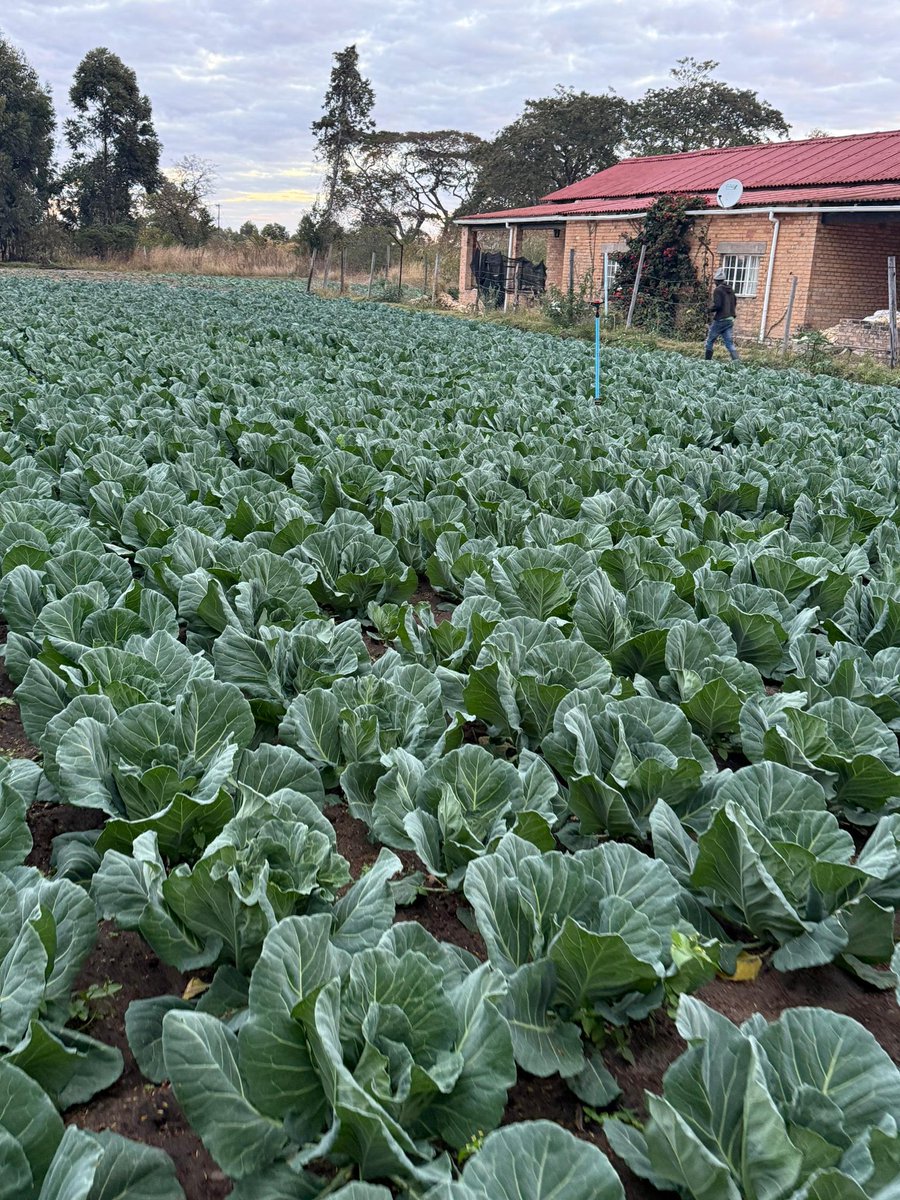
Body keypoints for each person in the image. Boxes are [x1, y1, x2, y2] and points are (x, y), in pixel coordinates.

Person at [705, 267, 739, 361]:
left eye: (715, 281)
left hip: (720, 319)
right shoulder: (730, 290)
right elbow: (734, 302)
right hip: (730, 319)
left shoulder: (718, 290)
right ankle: (737, 363)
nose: (714, 283)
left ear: (716, 281)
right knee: (729, 343)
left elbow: (718, 305)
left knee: (709, 341)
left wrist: (708, 310)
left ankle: (707, 362)